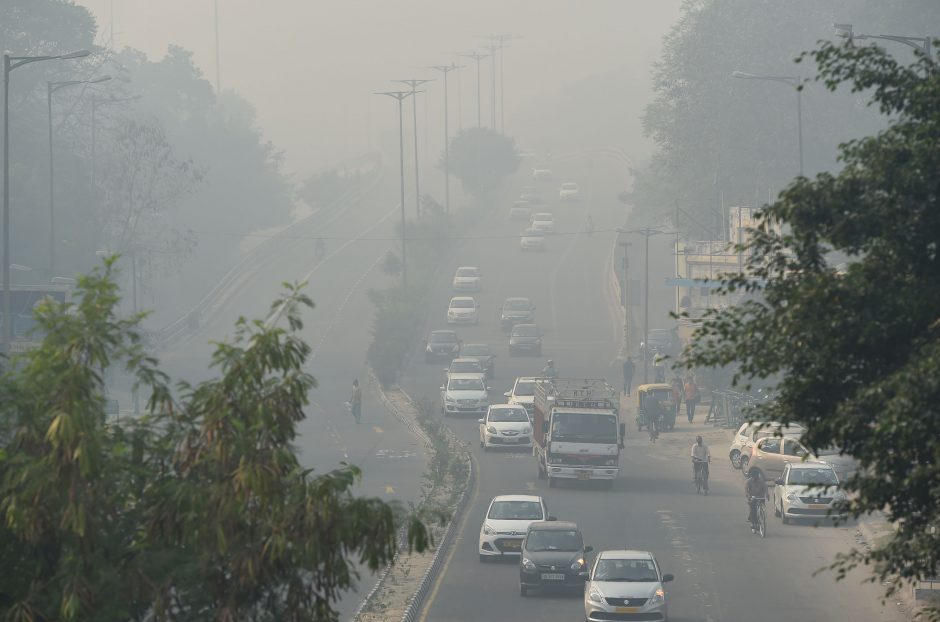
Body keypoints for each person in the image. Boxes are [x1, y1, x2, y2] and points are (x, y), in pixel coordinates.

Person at [745, 466, 769, 532]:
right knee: (753, 509)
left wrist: (767, 494)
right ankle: (753, 522)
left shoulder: (761, 481)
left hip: (760, 497)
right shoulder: (749, 481)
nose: (756, 478)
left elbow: (765, 488)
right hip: (753, 497)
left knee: (762, 507)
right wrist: (748, 496)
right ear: (752, 476)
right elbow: (746, 490)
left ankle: (761, 517)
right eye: (754, 477)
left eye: (757, 477)